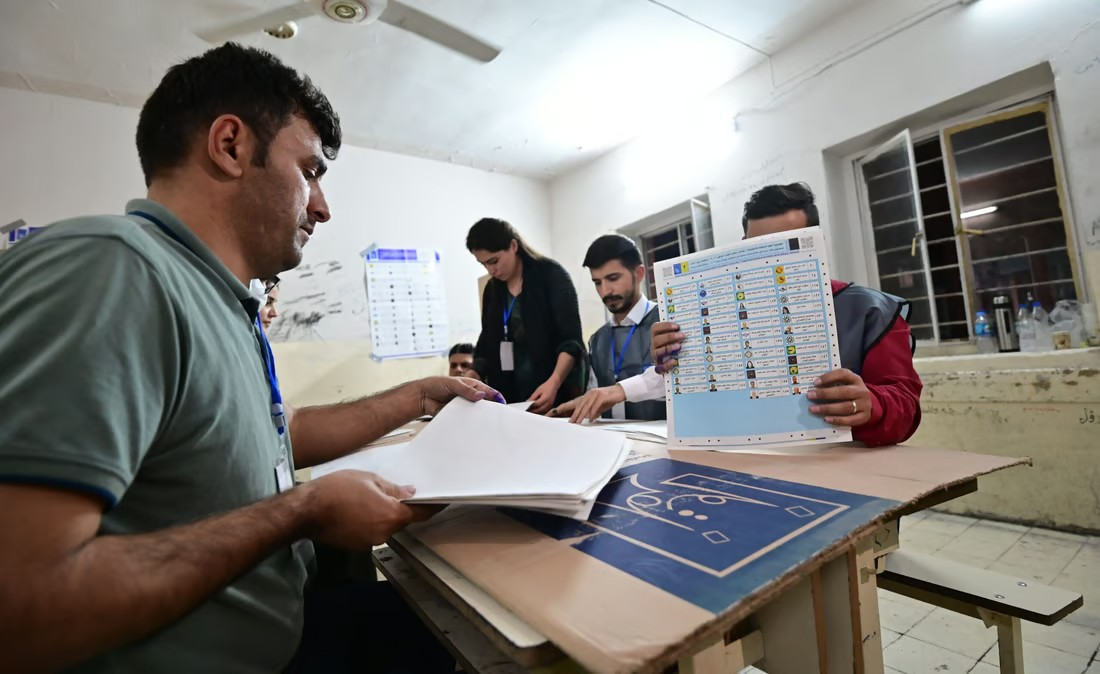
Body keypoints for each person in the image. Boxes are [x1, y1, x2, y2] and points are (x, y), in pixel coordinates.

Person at [0, 44, 502, 673]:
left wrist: (419, 395)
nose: (322, 206)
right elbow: (20, 604)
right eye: (310, 171)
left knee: (469, 630)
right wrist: (300, 512)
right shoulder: (111, 268)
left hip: (288, 627)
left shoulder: (220, 298)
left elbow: (276, 438)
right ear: (231, 145)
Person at [650, 182, 922, 446]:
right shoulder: (716, 316)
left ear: (817, 241)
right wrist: (676, 363)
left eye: (788, 245)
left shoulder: (870, 311)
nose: (771, 260)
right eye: (757, 248)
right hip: (740, 460)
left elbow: (907, 409)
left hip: (840, 464)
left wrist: (872, 405)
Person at [467, 218, 584, 414]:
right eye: (483, 264)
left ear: (513, 246)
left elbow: (571, 341)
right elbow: (487, 341)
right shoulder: (492, 290)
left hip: (553, 391)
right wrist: (472, 374)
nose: (491, 270)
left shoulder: (551, 275)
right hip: (510, 398)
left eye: (494, 261)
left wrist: (554, 382)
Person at [548, 235, 664, 423]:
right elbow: (598, 393)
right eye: (597, 282)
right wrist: (577, 407)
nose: (605, 291)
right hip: (611, 438)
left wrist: (619, 390)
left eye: (613, 278)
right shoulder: (597, 339)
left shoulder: (666, 320)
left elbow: (678, 379)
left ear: (639, 274)